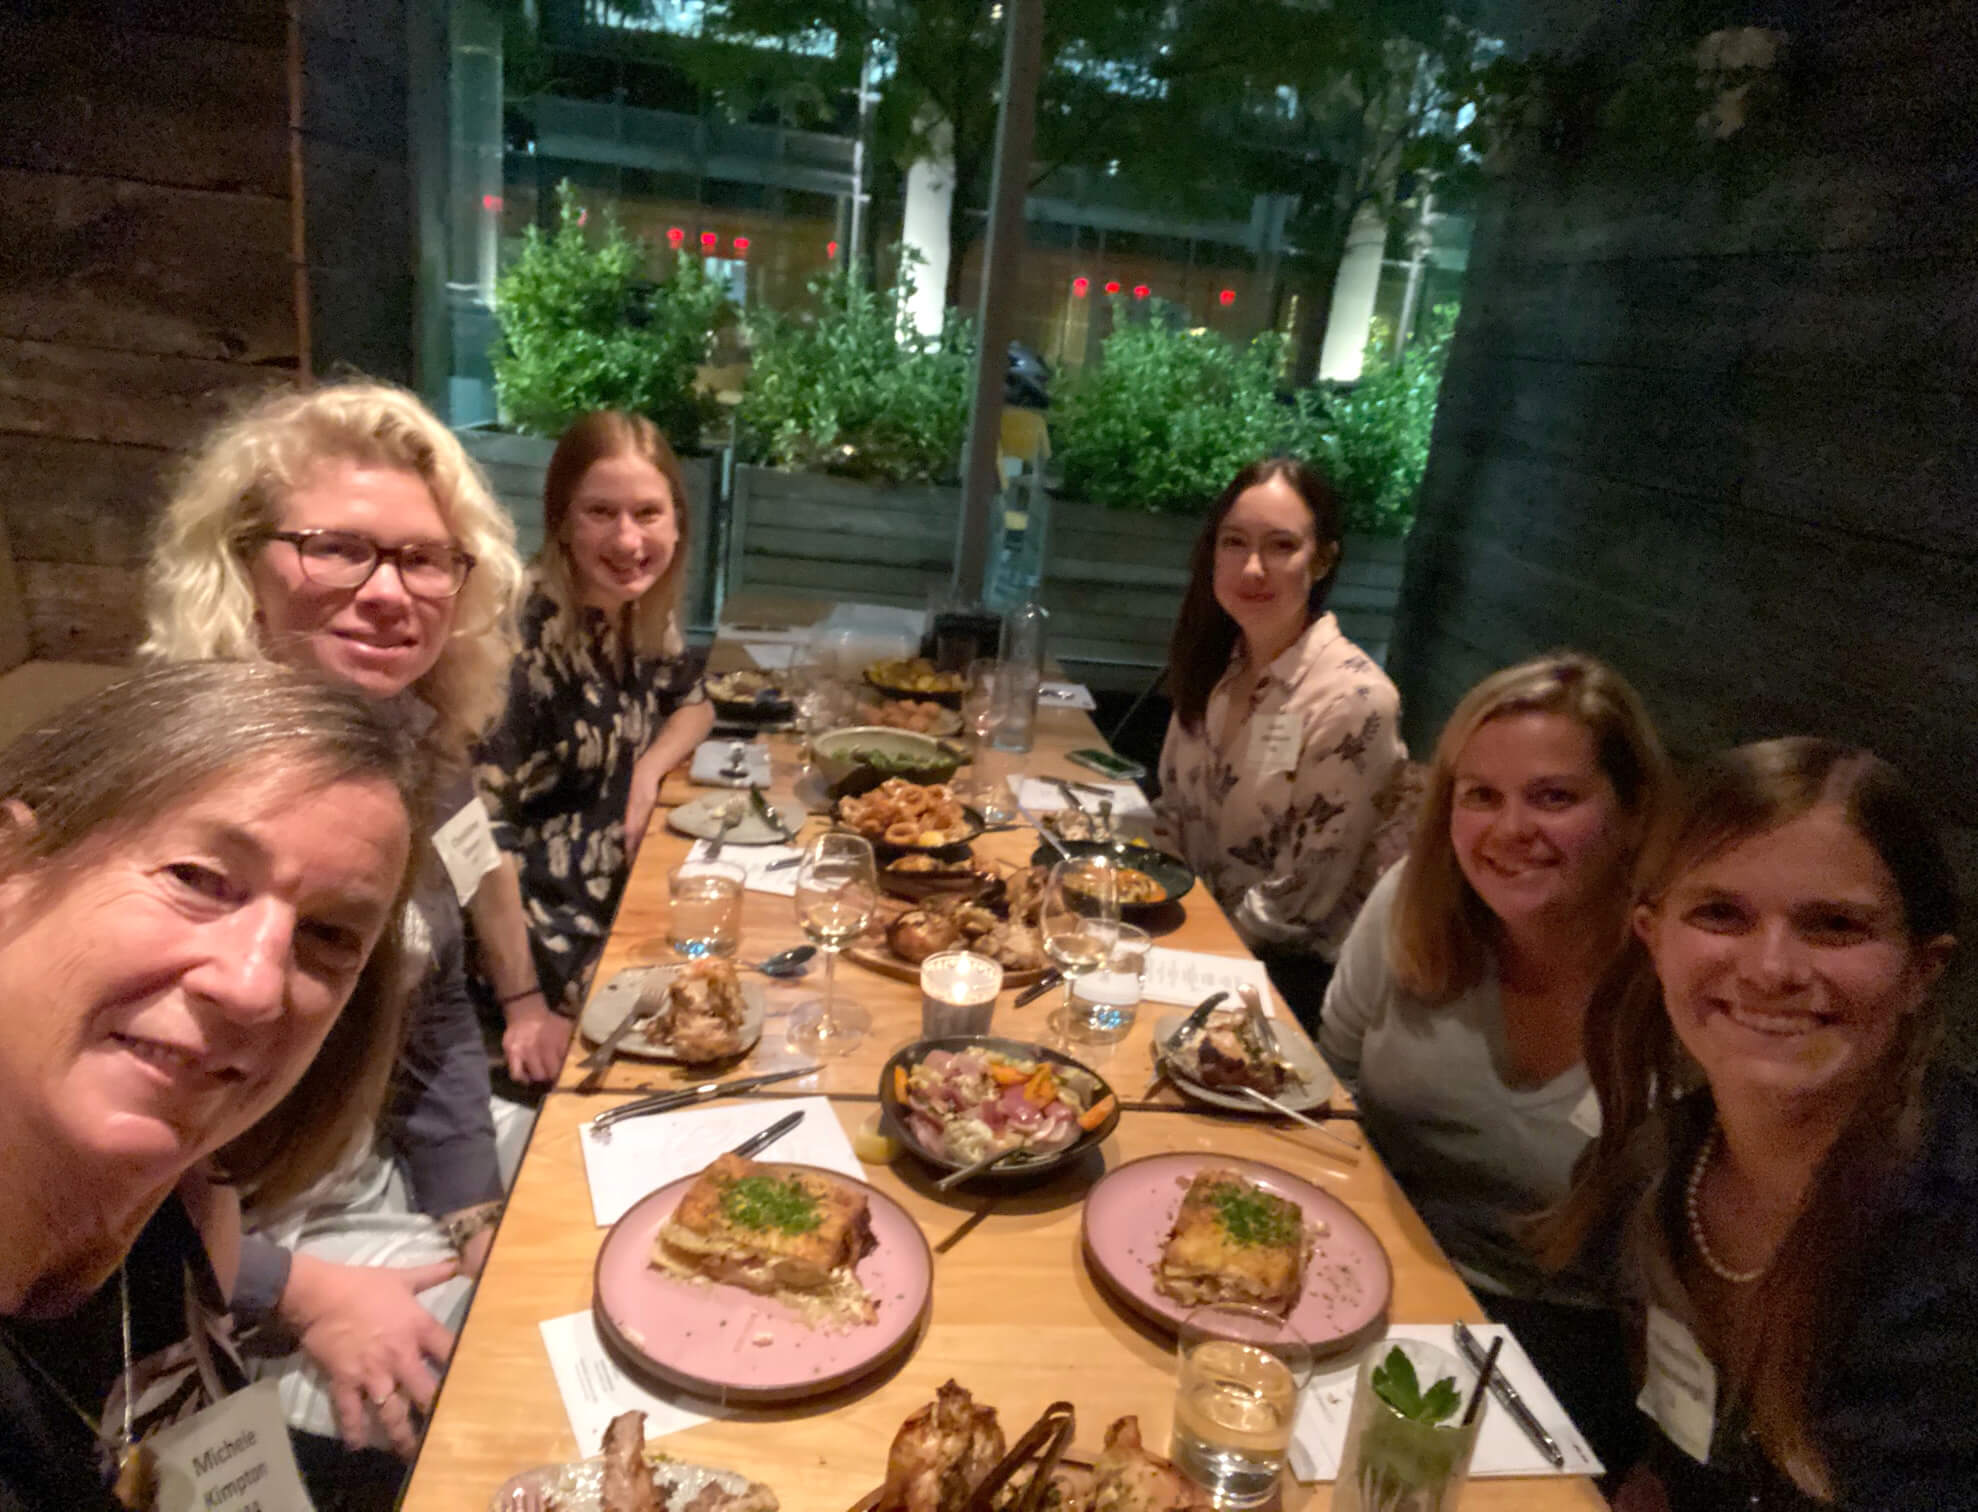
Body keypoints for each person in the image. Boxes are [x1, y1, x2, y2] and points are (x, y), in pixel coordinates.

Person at [142, 381, 528, 1484]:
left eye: (424, 560)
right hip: (223, 1254)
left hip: (375, 1175)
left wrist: (471, 1209)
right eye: (337, 550)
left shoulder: (420, 756)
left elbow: (439, 1010)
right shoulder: (165, 790)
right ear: (243, 561)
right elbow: (84, 1169)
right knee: (502, 1395)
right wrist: (296, 1293)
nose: (388, 593)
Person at [0, 661, 422, 1512]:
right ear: (13, 860)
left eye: (330, 936)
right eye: (197, 879)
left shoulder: (190, 1211)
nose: (256, 986)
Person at [1541, 739, 1968, 1509]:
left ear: (1921, 970)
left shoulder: (1952, 1246)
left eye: (1835, 924)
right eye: (1720, 913)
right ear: (1654, 937)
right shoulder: (1649, 1173)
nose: (1771, 968)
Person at [1319, 651, 1669, 1474]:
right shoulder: (1411, 902)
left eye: (1555, 797)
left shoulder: (1681, 979)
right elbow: (1323, 1084)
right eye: (1482, 796)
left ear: (1631, 809)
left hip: (1564, 1352)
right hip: (1366, 1274)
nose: (1512, 830)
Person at [475, 410, 713, 1057]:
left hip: (620, 903)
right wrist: (522, 1001)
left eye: (648, 513)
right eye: (601, 513)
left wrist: (646, 771)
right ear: (562, 520)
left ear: (677, 521)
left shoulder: (633, 610)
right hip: (539, 948)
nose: (629, 539)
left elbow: (697, 707)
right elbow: (474, 834)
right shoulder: (520, 633)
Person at [1153, 457, 1415, 1023]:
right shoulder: (1220, 670)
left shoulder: (1354, 700)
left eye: (1280, 546)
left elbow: (1299, 905)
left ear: (1321, 560)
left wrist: (1174, 952)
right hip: (1192, 953)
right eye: (1234, 542)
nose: (1251, 568)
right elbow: (1173, 814)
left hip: (1282, 993)